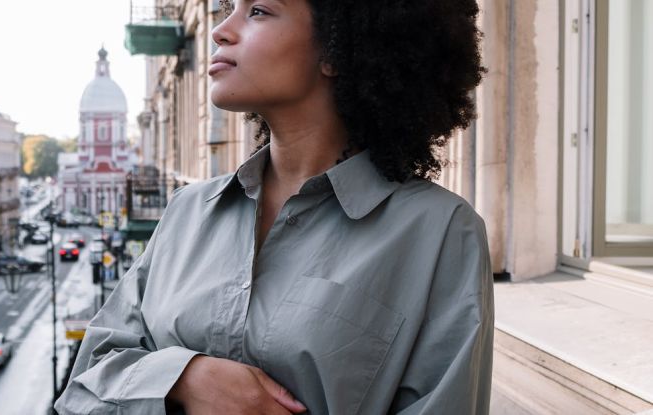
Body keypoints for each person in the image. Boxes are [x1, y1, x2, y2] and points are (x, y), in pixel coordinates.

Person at [56, 0, 492, 414]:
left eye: (259, 11)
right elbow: (84, 386)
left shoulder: (440, 233)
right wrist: (186, 380)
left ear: (336, 48)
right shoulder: (187, 210)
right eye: (230, 10)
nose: (221, 32)